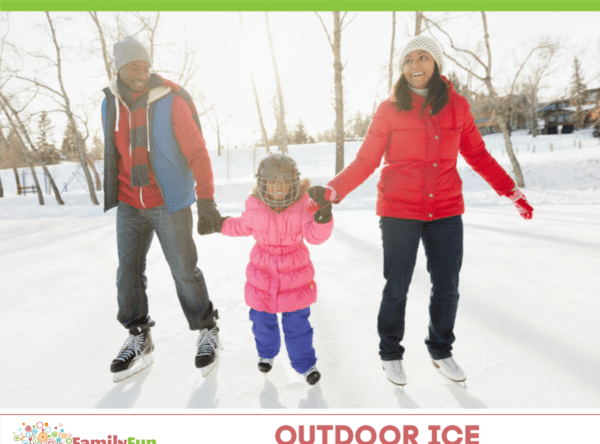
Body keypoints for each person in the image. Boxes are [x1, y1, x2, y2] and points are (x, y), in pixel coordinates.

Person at [309, 35, 533, 386]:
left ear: (437, 63)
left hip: (445, 208)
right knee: (396, 284)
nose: (415, 65)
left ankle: (441, 349)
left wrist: (511, 191)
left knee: (447, 286)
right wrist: (333, 189)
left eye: (423, 57)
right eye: (409, 59)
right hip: (399, 209)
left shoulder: (458, 107)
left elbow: (478, 156)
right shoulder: (389, 109)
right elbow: (366, 160)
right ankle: (390, 353)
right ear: (402, 67)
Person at [101, 36, 225, 382]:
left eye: (145, 66)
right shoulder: (109, 103)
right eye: (133, 67)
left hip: (168, 201)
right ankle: (138, 335)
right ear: (119, 68)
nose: (141, 73)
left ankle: (207, 329)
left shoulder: (171, 100)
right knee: (128, 272)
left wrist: (207, 200)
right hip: (129, 200)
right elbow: (115, 151)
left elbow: (198, 154)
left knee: (184, 270)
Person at [216, 153, 333, 385]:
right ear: (262, 186)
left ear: (295, 184)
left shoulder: (303, 207)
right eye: (272, 185)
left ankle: (306, 364)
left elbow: (314, 236)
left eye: (284, 185)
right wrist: (217, 224)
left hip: (295, 277)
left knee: (298, 326)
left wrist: (322, 217)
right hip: (262, 276)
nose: (278, 191)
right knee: (261, 321)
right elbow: (240, 226)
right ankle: (266, 353)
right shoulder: (255, 207)